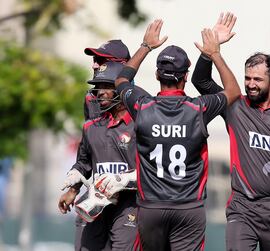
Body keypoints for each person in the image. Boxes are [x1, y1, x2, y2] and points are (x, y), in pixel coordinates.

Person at [95, 19, 241, 251]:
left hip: (151, 208)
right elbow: (233, 91)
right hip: (188, 209)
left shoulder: (142, 107)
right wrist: (214, 54)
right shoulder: (198, 109)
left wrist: (145, 46)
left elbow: (121, 80)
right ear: (185, 75)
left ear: (156, 75)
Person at [191, 12, 270, 251]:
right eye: (247, 78)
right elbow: (202, 82)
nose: (250, 84)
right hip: (243, 207)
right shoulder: (235, 107)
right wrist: (210, 51)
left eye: (257, 79)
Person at [58, 61, 138, 251]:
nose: (100, 92)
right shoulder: (91, 126)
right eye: (97, 87)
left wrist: (125, 180)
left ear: (121, 89)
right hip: (95, 205)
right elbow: (84, 163)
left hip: (129, 207)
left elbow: (150, 170)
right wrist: (73, 185)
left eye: (107, 87)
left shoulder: (139, 124)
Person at [84, 39, 131, 120]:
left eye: (100, 60)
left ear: (122, 64)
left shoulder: (139, 100)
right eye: (94, 60)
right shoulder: (90, 98)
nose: (94, 66)